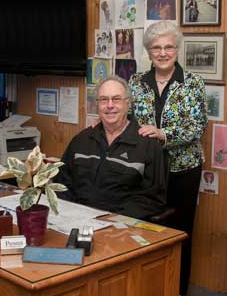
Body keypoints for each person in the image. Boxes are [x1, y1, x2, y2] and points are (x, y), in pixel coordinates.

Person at [129, 21, 208, 296]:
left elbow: (198, 125)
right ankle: (146, 289)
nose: (163, 53)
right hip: (145, 169)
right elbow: (128, 121)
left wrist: (164, 135)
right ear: (149, 51)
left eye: (169, 47)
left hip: (183, 170)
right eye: (157, 47)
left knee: (180, 230)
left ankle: (176, 293)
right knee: (145, 228)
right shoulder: (136, 82)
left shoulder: (194, 82)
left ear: (177, 49)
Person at [56, 75, 167, 220]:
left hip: (120, 226)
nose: (109, 105)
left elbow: (153, 199)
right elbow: (62, 184)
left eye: (116, 99)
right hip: (76, 220)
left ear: (128, 104)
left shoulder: (147, 145)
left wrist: (114, 219)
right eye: (103, 99)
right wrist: (71, 213)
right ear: (97, 105)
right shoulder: (81, 140)